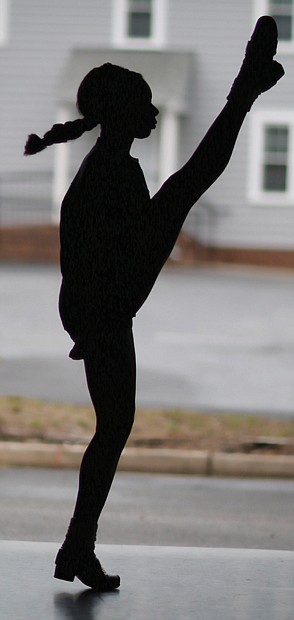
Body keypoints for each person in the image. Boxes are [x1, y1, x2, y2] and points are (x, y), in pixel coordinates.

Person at [24, 16, 284, 591]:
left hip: (106, 307)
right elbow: (81, 251)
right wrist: (89, 327)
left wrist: (88, 321)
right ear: (120, 113)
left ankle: (76, 547)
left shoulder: (111, 167)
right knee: (114, 426)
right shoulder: (105, 175)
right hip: (106, 309)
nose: (156, 111)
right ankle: (76, 546)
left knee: (114, 426)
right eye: (145, 102)